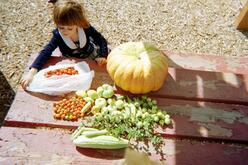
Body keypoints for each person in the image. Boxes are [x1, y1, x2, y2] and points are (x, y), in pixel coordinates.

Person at [21, 0, 109, 89]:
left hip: (92, 55)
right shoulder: (58, 36)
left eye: (70, 28)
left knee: (100, 78)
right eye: (61, 27)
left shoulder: (85, 28)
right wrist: (32, 72)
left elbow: (101, 40)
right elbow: (46, 52)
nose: (65, 31)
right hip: (73, 61)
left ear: (78, 23)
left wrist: (102, 55)